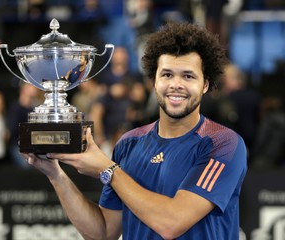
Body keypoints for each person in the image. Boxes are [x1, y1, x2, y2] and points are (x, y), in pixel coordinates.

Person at [23, 22, 248, 240]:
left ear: (206, 84)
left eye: (188, 76)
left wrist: (108, 170)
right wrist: (56, 176)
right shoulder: (129, 143)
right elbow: (102, 233)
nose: (175, 84)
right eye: (167, 74)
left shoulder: (223, 143)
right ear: (153, 81)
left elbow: (172, 223)